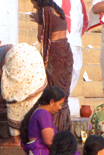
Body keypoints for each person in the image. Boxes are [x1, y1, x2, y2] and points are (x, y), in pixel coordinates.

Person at [0, 43, 47, 146]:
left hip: (18, 57)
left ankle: (15, 139)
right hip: (33, 53)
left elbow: (8, 86)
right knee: (32, 93)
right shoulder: (3, 49)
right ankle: (33, 135)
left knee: (15, 95)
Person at [30, 0, 73, 132]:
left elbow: (41, 37)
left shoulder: (45, 11)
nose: (33, 6)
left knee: (53, 92)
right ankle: (64, 127)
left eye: (33, 3)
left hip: (55, 53)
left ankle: (54, 128)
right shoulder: (58, 10)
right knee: (63, 93)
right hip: (66, 50)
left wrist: (39, 21)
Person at [54, 0, 89, 109]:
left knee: (75, 69)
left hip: (75, 41)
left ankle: (64, 97)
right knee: (61, 71)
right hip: (60, 41)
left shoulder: (79, 1)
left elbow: (83, 20)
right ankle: (58, 99)